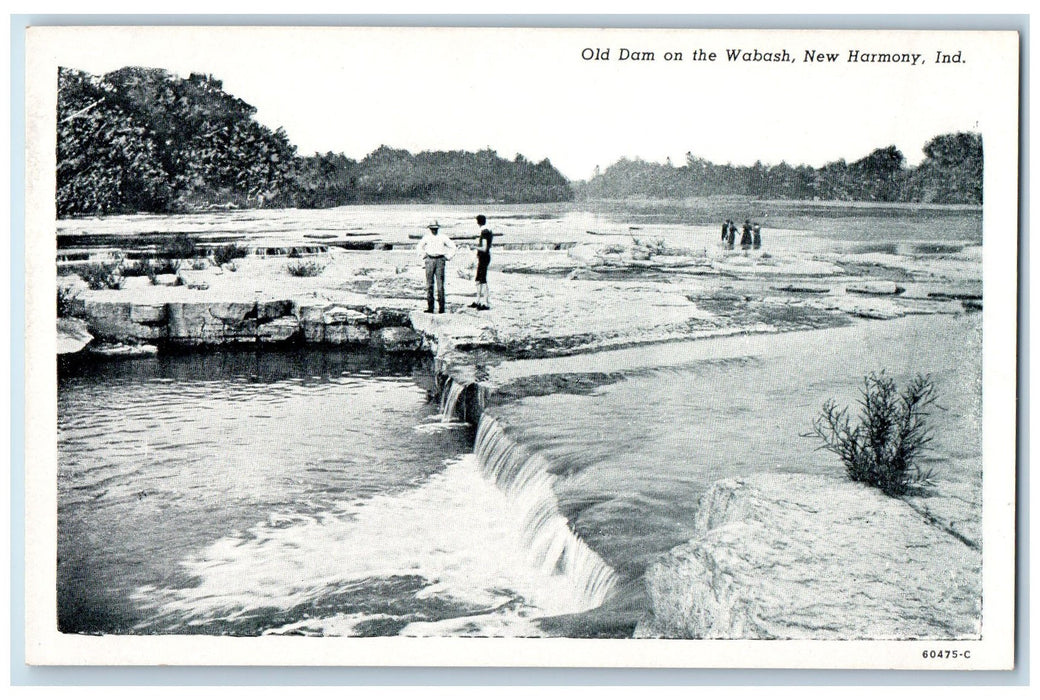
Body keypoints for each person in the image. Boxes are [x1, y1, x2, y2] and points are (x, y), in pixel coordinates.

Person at [416, 221, 456, 313]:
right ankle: (430, 307)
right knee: (429, 285)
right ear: (430, 228)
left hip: (440, 260)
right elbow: (419, 247)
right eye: (432, 228)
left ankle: (441, 308)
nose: (434, 230)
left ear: (438, 228)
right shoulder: (426, 237)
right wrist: (423, 255)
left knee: (440, 285)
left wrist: (448, 257)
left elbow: (453, 247)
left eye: (435, 228)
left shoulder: (443, 237)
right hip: (429, 259)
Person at [470, 214, 493, 311]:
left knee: (482, 280)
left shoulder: (484, 232)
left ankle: (486, 303)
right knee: (479, 279)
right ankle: (478, 301)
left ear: (478, 222)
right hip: (485, 257)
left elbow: (484, 248)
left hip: (483, 257)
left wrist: (474, 247)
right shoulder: (488, 231)